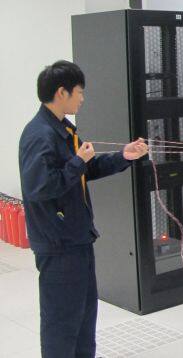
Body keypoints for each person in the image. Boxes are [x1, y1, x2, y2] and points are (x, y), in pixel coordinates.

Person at [18, 61, 149, 358]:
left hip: (77, 239)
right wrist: (77, 162)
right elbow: (39, 187)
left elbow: (83, 171)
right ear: (61, 92)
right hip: (58, 245)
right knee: (62, 324)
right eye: (79, 92)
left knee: (84, 319)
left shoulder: (62, 129)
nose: (82, 98)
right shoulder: (39, 135)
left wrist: (123, 156)